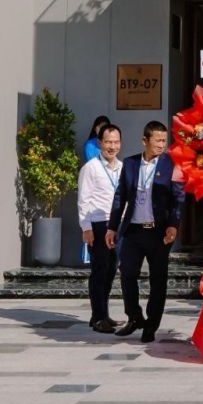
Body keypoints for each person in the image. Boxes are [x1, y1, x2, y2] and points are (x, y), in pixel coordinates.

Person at [106, 119, 183, 343]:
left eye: (164, 141)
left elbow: (178, 198)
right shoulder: (130, 164)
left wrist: (173, 225)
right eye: (157, 140)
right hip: (133, 231)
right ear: (144, 140)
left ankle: (151, 324)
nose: (161, 145)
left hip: (158, 233)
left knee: (158, 279)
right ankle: (134, 317)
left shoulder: (171, 165)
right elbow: (120, 197)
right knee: (127, 274)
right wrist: (112, 227)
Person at [77, 122, 124, 332]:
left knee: (111, 270)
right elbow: (83, 199)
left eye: (116, 142)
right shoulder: (91, 168)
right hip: (98, 225)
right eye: (108, 142)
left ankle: (103, 314)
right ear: (100, 143)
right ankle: (98, 318)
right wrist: (86, 228)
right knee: (99, 271)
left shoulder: (122, 168)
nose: (112, 147)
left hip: (117, 225)